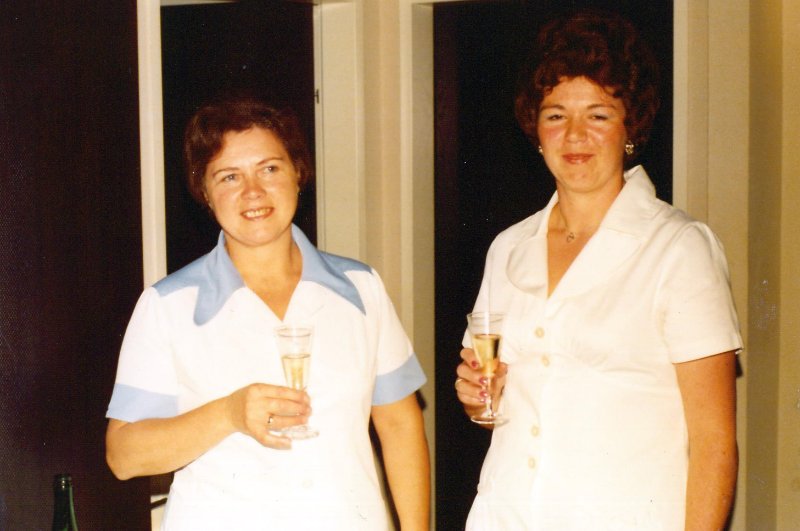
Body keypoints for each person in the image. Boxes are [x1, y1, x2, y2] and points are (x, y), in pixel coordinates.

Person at [454, 10, 741, 530]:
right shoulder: (508, 249)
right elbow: (498, 402)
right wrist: (479, 399)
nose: (574, 135)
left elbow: (715, 443)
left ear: (630, 127)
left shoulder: (679, 249)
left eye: (599, 115)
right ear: (536, 130)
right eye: (556, 115)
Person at [105, 96, 430, 530]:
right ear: (205, 193)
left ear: (298, 173)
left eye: (270, 168)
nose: (253, 192)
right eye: (229, 176)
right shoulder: (167, 305)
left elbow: (400, 424)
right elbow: (124, 456)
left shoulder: (360, 288)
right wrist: (229, 414)